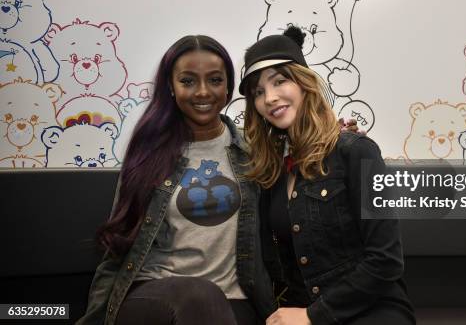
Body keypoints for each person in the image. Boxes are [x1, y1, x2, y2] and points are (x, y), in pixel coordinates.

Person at [77, 35, 275, 325]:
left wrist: (345, 142)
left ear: (229, 86)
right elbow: (119, 245)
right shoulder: (149, 153)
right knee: (199, 296)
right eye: (188, 81)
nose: (203, 92)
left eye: (215, 80)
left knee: (212, 303)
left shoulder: (255, 150)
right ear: (171, 86)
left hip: (234, 297)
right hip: (153, 293)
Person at [239, 27, 415, 325]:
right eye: (258, 91)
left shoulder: (358, 151)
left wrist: (313, 315)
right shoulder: (269, 173)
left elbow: (386, 260)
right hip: (299, 311)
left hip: (371, 310)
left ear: (304, 83)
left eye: (280, 81)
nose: (269, 98)